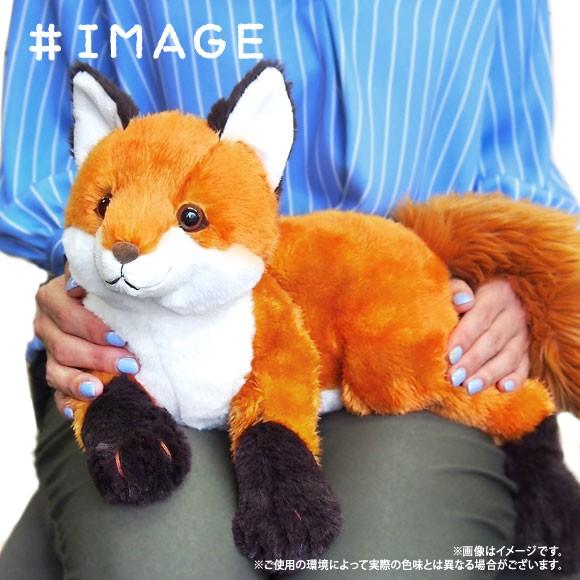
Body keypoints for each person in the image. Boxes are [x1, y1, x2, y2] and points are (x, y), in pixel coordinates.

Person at [0, 1, 578, 579]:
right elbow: (40, 160)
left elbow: (517, 165)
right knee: (164, 562)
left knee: (386, 561)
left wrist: (516, 280)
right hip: (140, 335)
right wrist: (81, 268)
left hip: (409, 316)